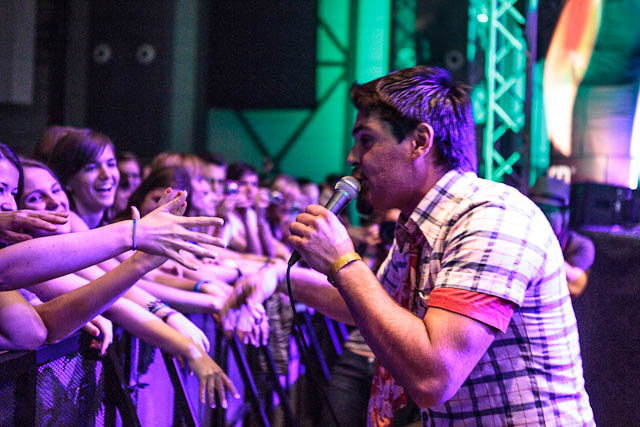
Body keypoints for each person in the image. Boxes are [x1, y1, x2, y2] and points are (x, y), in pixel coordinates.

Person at [285, 66, 594, 425]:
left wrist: (343, 261)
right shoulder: (417, 227)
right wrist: (277, 277)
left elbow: (434, 376)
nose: (353, 157)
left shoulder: (492, 217)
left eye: (366, 140)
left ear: (420, 142)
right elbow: (367, 304)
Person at [529, 176, 595, 298]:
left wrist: (538, 251)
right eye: (538, 209)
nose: (542, 216)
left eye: (549, 210)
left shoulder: (580, 245)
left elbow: (576, 286)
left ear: (566, 215)